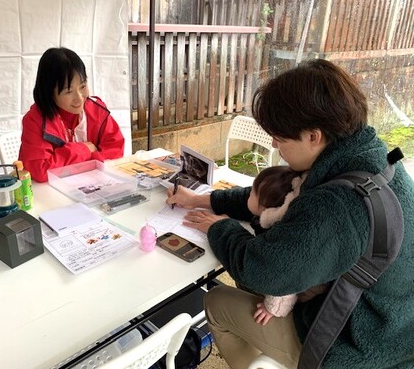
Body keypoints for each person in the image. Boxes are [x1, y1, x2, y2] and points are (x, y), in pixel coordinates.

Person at [165, 59, 413, 369]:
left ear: (313, 135)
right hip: (394, 321)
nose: (273, 144)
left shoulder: (337, 204)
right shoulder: (365, 159)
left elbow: (265, 272)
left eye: (280, 138)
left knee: (217, 302)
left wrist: (222, 228)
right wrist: (204, 201)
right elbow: (275, 198)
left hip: (362, 346)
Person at [19, 47, 124, 182]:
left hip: (94, 186)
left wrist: (85, 162)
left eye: (83, 86)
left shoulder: (96, 110)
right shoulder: (35, 120)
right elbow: (40, 171)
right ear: (49, 93)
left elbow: (115, 151)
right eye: (69, 91)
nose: (80, 98)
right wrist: (84, 149)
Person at [245, 166, 307, 326]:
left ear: (265, 207)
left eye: (252, 192)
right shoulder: (283, 215)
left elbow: (284, 277)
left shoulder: (281, 236)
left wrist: (273, 308)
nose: (248, 194)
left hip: (295, 303)